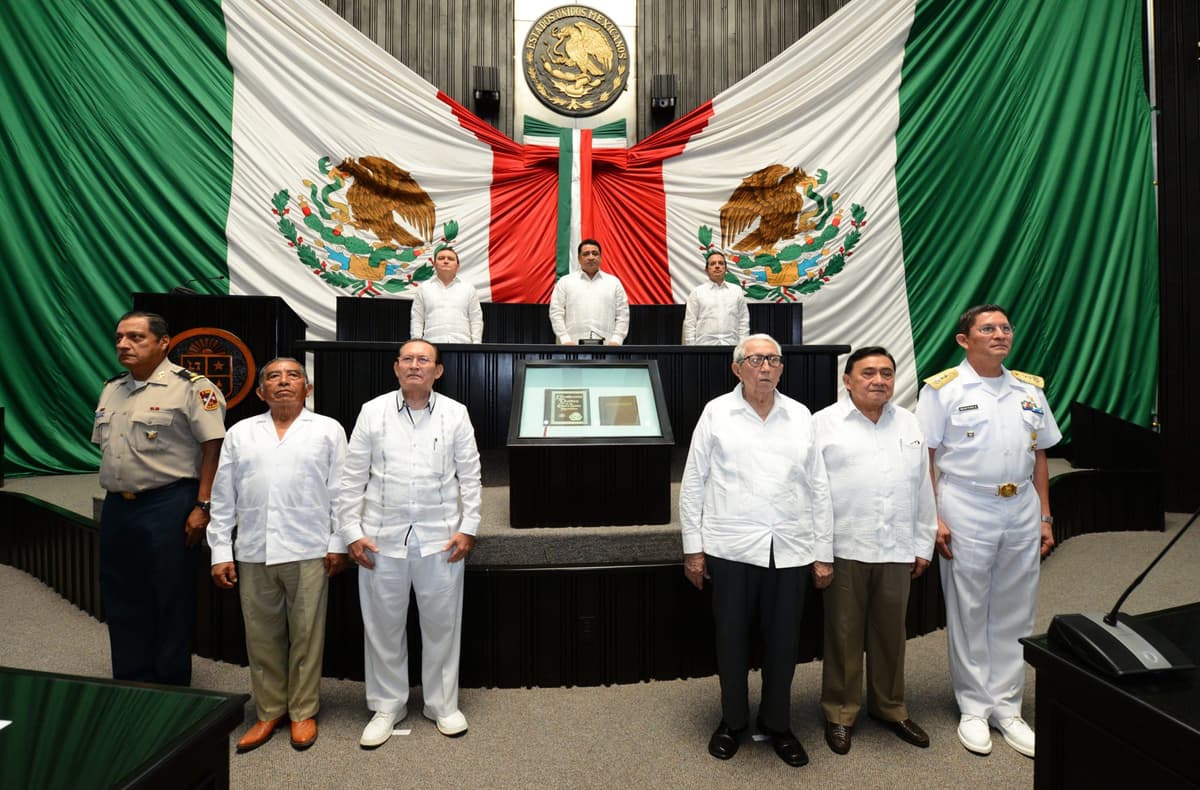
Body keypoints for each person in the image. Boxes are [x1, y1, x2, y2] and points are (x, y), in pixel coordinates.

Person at [679, 333, 834, 767]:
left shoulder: (801, 415)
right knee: (731, 642)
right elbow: (694, 483)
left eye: (772, 360)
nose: (764, 367)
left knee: (784, 645)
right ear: (737, 368)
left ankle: (778, 723)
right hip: (730, 548)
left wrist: (824, 552)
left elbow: (819, 487)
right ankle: (732, 722)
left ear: (782, 368)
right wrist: (694, 549)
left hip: (790, 549)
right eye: (755, 360)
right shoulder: (717, 413)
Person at [915, 304, 1060, 759]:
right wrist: (933, 517)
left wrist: (1045, 516)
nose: (1000, 334)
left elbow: (1039, 455)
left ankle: (1008, 707)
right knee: (970, 606)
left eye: (1004, 327)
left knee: (1017, 609)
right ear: (964, 339)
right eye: (988, 328)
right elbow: (926, 456)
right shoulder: (942, 390)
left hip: (1021, 505)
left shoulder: (1029, 389)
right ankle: (974, 708)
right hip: (966, 505)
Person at [340, 339, 482, 749]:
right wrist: (351, 531)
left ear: (438, 371)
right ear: (396, 368)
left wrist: (468, 527)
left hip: (442, 539)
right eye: (408, 359)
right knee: (383, 627)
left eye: (424, 360)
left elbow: (469, 477)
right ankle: (388, 705)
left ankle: (442, 705)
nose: (415, 365)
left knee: (441, 625)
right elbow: (352, 477)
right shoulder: (373, 411)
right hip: (380, 539)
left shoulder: (456, 414)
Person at [208, 357, 349, 752]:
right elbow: (223, 497)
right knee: (261, 636)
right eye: (273, 377)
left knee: (307, 635)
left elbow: (342, 492)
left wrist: (338, 543)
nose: (283, 382)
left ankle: (303, 711)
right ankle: (269, 711)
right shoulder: (240, 433)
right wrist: (220, 550)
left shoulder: (327, 430)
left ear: (308, 388)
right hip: (253, 549)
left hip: (309, 548)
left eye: (293, 376)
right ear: (260, 391)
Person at [813, 346, 937, 755]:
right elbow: (812, 494)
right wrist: (820, 552)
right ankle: (840, 712)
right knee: (844, 637)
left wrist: (923, 543)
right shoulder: (822, 425)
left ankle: (890, 707)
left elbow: (922, 487)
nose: (878, 380)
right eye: (868, 373)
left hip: (897, 547)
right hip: (845, 547)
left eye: (886, 372)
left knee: (891, 636)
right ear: (847, 380)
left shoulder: (909, 423)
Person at [91, 310, 226, 686]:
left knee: (170, 596)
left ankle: (170, 686)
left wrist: (203, 506)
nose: (123, 345)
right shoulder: (112, 387)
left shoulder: (193, 388)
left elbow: (214, 449)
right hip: (119, 504)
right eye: (119, 337)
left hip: (168, 504)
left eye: (135, 337)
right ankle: (132, 680)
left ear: (163, 343)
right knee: (120, 593)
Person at [548, 238, 629, 345]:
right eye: (586, 254)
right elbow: (556, 313)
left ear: (600, 257)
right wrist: (565, 339)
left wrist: (617, 340)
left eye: (595, 253)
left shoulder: (614, 283)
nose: (591, 257)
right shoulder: (565, 282)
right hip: (571, 347)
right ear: (578, 259)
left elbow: (622, 314)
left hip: (608, 347)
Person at [409, 246, 483, 344]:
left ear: (457, 266)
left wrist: (476, 345)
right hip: (431, 346)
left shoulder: (468, 289)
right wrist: (416, 344)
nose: (445, 261)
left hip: (463, 345)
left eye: (450, 259)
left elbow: (476, 319)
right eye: (441, 258)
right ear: (434, 265)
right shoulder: (424, 288)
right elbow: (417, 319)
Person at [682, 251, 750, 345]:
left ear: (725, 269)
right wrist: (692, 350)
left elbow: (743, 322)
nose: (717, 266)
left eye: (721, 263)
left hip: (732, 347)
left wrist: (743, 348)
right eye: (713, 264)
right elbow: (690, 324)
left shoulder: (736, 291)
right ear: (707, 270)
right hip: (704, 348)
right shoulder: (697, 293)